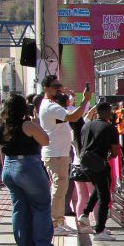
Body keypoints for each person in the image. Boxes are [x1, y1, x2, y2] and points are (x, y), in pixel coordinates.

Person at [0, 93, 54, 246]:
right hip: (28, 166)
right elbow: (45, 140)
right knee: (41, 204)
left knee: (19, 207)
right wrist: (36, 122)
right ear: (23, 108)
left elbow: (2, 150)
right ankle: (43, 242)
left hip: (8, 167)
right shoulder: (27, 125)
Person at [38, 76, 91, 235]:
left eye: (60, 86)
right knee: (58, 189)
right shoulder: (49, 106)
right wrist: (85, 100)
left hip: (60, 153)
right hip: (55, 154)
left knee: (61, 188)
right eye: (56, 86)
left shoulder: (53, 105)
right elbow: (73, 117)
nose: (59, 89)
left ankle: (59, 220)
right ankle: (54, 224)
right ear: (46, 88)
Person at [76, 102, 120, 241]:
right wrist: (109, 154)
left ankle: (85, 214)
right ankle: (99, 230)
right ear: (108, 113)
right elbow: (114, 152)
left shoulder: (87, 125)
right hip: (99, 163)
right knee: (104, 196)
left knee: (99, 188)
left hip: (84, 162)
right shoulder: (110, 128)